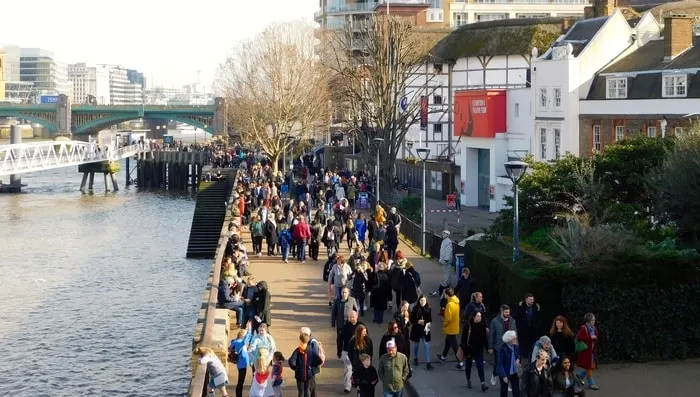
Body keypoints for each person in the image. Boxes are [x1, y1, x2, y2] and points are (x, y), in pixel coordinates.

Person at [459, 312, 489, 392]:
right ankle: (468, 380)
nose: (480, 317)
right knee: (468, 366)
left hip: (478, 350)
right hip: (469, 350)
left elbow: (484, 339)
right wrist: (465, 350)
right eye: (478, 316)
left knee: (480, 366)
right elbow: (463, 339)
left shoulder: (482, 326)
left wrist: (488, 348)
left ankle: (483, 383)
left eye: (480, 316)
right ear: (474, 317)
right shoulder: (468, 326)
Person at [288, 333, 324, 397]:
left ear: (300, 340)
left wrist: (295, 368)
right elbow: (319, 360)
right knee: (307, 390)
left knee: (301, 391)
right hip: (308, 373)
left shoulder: (298, 350)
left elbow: (291, 361)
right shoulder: (311, 350)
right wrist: (312, 365)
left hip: (299, 373)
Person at [489, 305, 517, 386]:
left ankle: (507, 383)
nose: (508, 314)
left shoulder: (512, 321)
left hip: (510, 346)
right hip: (498, 346)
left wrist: (516, 343)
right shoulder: (495, 321)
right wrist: (490, 347)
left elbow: (515, 332)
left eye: (509, 312)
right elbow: (491, 334)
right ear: (501, 312)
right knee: (498, 364)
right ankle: (494, 374)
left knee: (508, 364)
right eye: (506, 312)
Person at [437, 288, 462, 369]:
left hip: (450, 327)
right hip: (454, 326)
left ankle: (460, 363)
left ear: (447, 295)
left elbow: (448, 318)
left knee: (454, 346)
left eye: (445, 294)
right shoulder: (456, 302)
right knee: (447, 342)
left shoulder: (449, 305)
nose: (444, 295)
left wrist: (444, 324)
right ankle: (443, 356)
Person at [575, 313, 600, 390]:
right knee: (589, 367)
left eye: (594, 319)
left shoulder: (594, 328)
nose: (594, 320)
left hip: (592, 351)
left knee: (591, 366)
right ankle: (591, 384)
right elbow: (579, 337)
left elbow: (596, 337)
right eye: (592, 319)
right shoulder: (584, 328)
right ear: (588, 320)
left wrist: (594, 338)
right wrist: (590, 337)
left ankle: (580, 375)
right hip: (586, 351)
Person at [409, 295, 433, 370]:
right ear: (419, 301)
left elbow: (430, 320)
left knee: (426, 345)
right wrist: (418, 321)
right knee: (416, 344)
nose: (423, 302)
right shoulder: (415, 309)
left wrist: (427, 324)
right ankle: (416, 358)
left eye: (424, 301)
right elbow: (412, 320)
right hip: (417, 329)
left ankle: (428, 363)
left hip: (425, 329)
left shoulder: (428, 309)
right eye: (421, 300)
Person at [229, 327, 253, 397]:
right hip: (242, 364)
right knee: (240, 381)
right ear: (243, 335)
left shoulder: (234, 342)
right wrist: (249, 329)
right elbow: (248, 336)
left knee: (240, 381)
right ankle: (239, 395)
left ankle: (239, 395)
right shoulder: (241, 342)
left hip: (240, 364)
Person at [496, 330, 521, 397]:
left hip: (514, 372)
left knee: (516, 391)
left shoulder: (516, 346)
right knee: (504, 392)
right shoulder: (502, 348)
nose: (516, 339)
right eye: (514, 338)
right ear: (509, 339)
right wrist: (504, 376)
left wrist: (518, 359)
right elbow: (500, 364)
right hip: (505, 372)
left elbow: (518, 354)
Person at [430, 230, 454, 297]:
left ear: (447, 235)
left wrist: (446, 259)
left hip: (446, 260)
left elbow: (448, 251)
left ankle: (446, 283)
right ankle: (447, 282)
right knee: (445, 271)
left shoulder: (448, 241)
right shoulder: (445, 241)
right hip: (445, 260)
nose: (442, 235)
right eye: (442, 233)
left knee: (446, 271)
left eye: (444, 234)